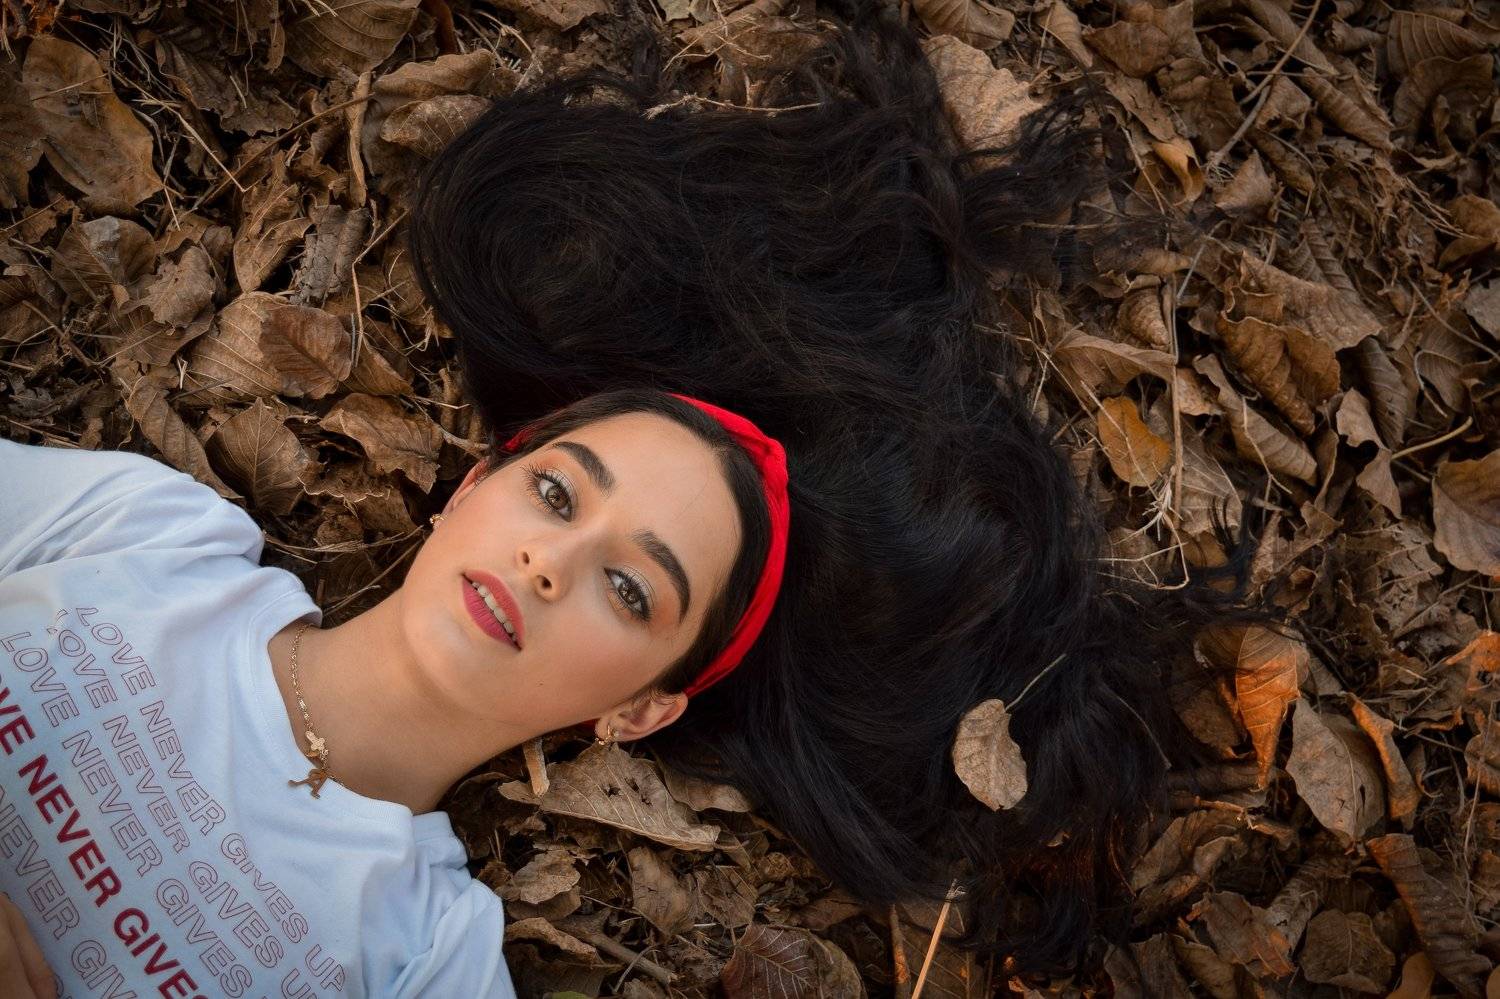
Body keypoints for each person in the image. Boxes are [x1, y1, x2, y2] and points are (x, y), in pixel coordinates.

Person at [0, 4, 1285, 996]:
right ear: (471, 484)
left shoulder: (426, 959)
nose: (552, 563)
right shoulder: (156, 537)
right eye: (557, 492)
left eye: (629, 588)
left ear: (643, 708)